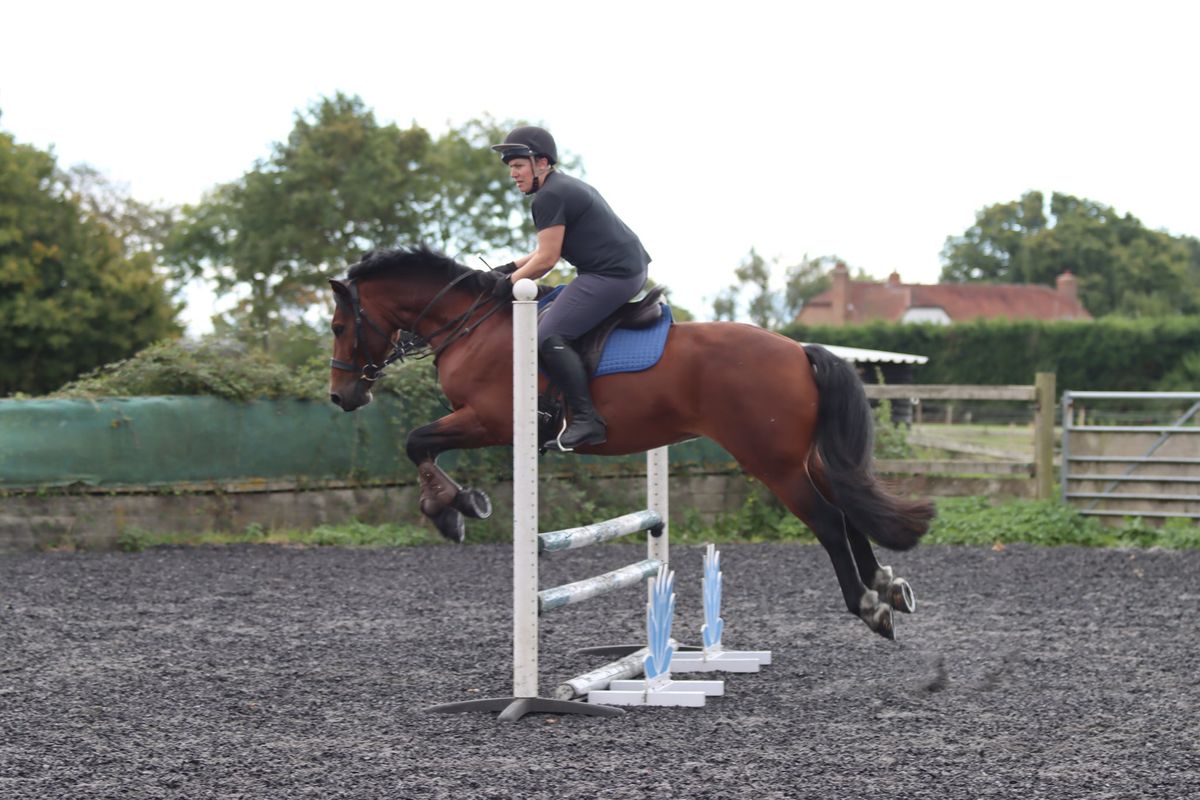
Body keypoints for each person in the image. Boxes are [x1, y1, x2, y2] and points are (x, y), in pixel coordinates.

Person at [482, 126, 651, 452]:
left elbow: (547, 259)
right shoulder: (559, 188)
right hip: (619, 270)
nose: (513, 174)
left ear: (541, 162)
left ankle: (587, 419)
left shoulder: (550, 196)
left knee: (546, 336)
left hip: (613, 274)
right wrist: (508, 269)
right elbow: (543, 250)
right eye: (510, 167)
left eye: (518, 165)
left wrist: (507, 286)